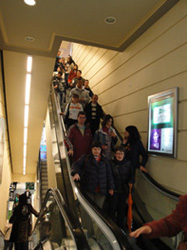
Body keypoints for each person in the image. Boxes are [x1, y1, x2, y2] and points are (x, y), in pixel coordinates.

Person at [71, 140, 114, 208]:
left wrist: (111, 187)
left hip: (101, 190)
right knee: (88, 207)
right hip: (88, 188)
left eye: (98, 149)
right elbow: (76, 164)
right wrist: (76, 173)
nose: (96, 151)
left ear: (101, 150)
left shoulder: (105, 161)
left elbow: (109, 174)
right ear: (91, 149)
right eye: (94, 149)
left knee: (98, 209)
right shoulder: (86, 158)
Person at [108, 145, 134, 229]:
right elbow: (109, 176)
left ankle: (120, 226)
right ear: (115, 154)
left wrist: (131, 181)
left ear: (124, 155)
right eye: (118, 153)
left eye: (122, 153)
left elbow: (131, 175)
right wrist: (110, 187)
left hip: (124, 190)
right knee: (112, 208)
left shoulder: (128, 163)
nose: (120, 155)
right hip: (114, 190)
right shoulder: (111, 163)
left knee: (121, 209)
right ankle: (112, 227)